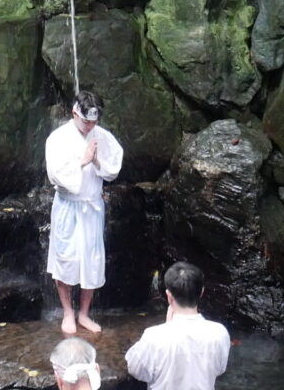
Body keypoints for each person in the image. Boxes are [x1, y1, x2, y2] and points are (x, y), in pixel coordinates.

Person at [46, 90, 123, 334]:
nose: (90, 126)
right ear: (74, 113)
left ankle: (84, 314)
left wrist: (97, 161)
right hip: (68, 206)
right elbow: (55, 175)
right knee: (65, 259)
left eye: (94, 121)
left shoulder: (103, 137)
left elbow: (113, 170)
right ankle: (68, 312)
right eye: (86, 121)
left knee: (92, 260)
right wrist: (83, 161)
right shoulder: (58, 138)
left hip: (91, 207)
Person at [125, 261, 231, 390]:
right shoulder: (219, 333)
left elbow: (135, 369)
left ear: (169, 296)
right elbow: (219, 369)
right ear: (201, 292)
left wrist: (167, 326)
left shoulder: (154, 336)